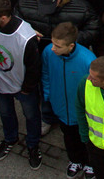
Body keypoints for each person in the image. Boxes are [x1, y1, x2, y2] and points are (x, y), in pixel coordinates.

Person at [0, 0, 43, 169]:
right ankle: (10, 138)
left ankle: (32, 145)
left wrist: (27, 88)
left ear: (3, 17)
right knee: (5, 113)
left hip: (21, 87)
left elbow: (33, 67)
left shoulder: (25, 37)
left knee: (31, 116)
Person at [40, 23, 94, 179]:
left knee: (86, 139)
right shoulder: (48, 53)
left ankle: (90, 163)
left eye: (57, 46)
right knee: (69, 137)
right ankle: (75, 160)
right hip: (61, 107)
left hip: (83, 112)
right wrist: (48, 94)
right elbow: (45, 74)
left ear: (71, 46)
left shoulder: (87, 60)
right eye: (52, 43)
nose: (52, 48)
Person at [17, 0, 102, 47]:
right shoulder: (24, 4)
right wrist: (28, 33)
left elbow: (94, 30)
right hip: (37, 49)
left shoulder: (82, 8)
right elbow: (16, 24)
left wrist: (71, 39)